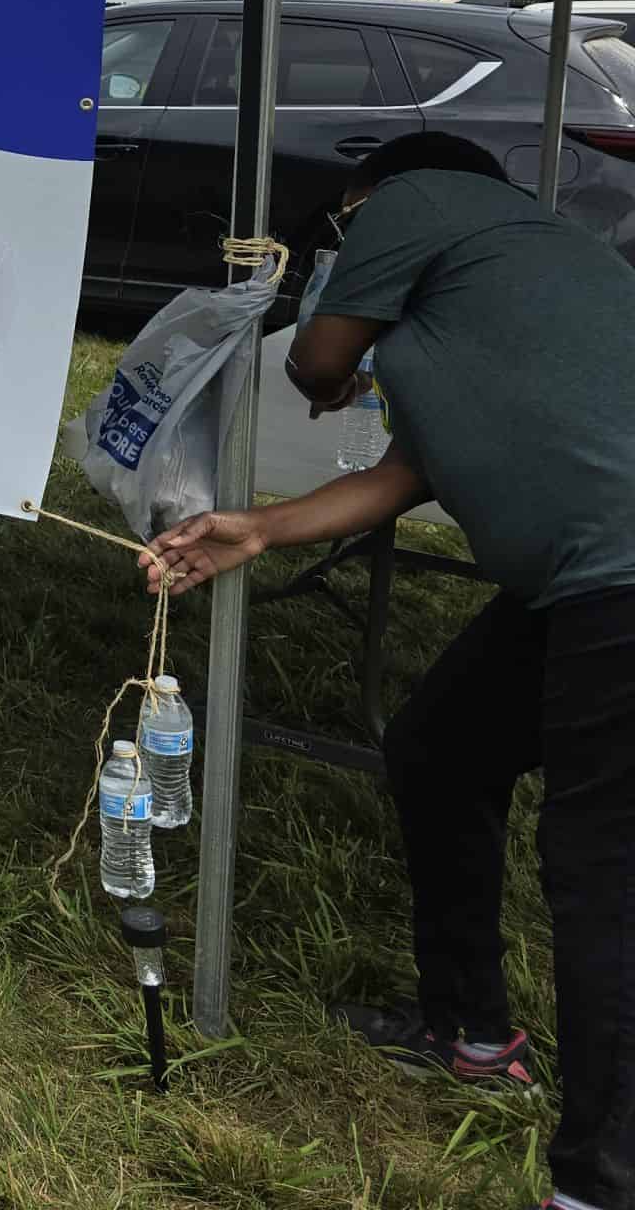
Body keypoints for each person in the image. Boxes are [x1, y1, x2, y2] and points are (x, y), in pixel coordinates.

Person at [149, 130, 635, 1210]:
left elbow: (315, 363)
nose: (336, 249)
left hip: (618, 585)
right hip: (572, 585)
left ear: (375, 202)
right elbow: (410, 470)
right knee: (441, 751)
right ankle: (468, 1032)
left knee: (600, 871)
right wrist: (261, 530)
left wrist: (335, 339)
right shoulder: (484, 295)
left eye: (339, 232)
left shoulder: (420, 196)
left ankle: (599, 1183)